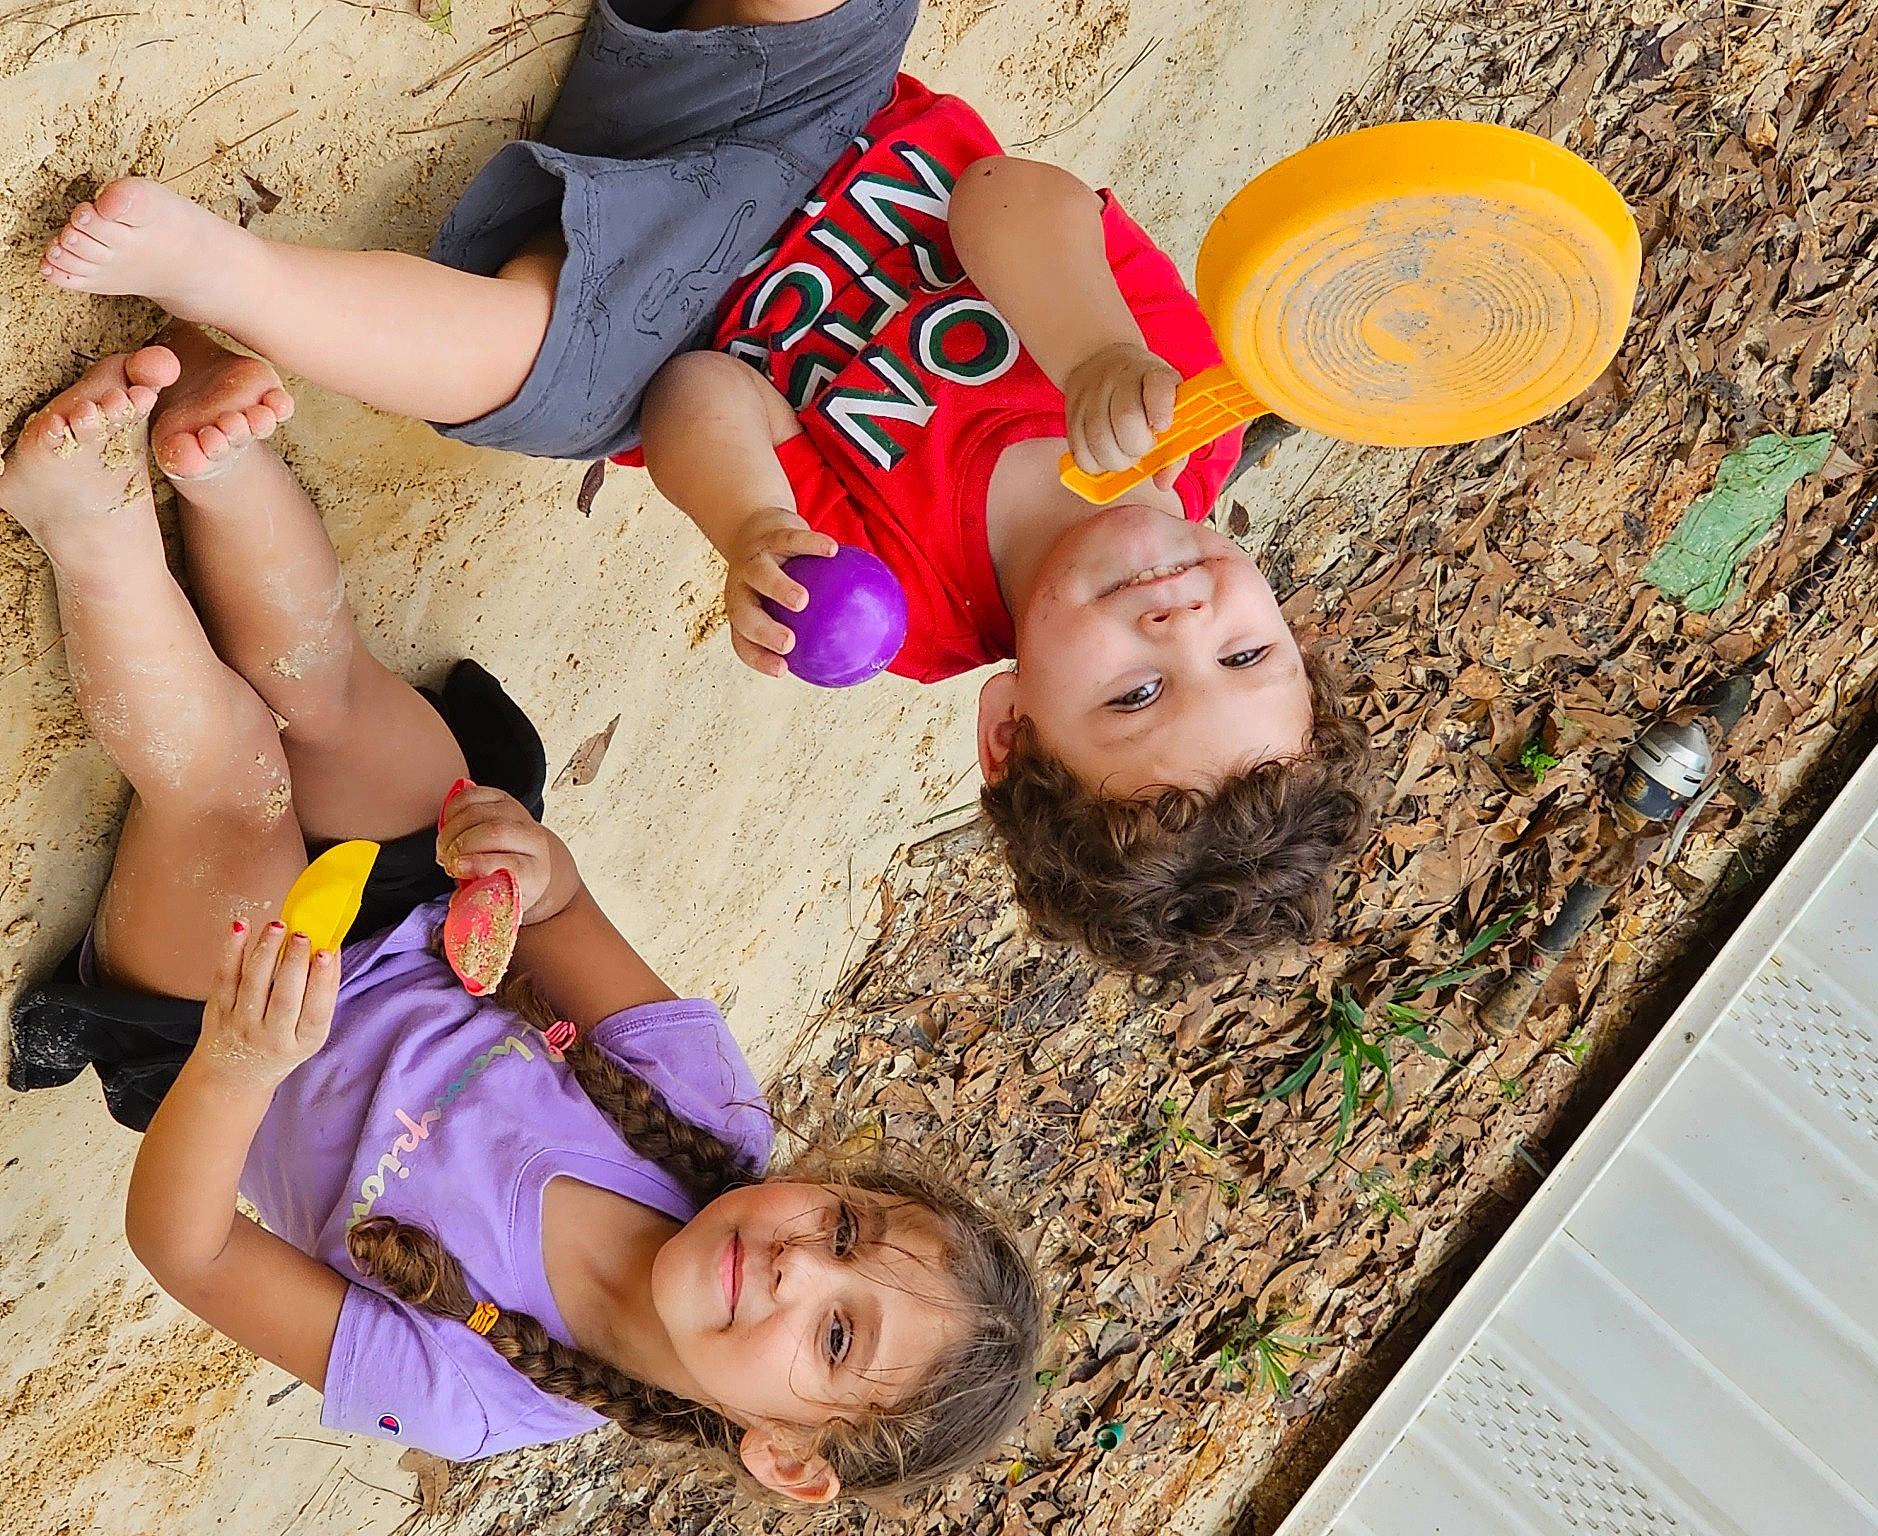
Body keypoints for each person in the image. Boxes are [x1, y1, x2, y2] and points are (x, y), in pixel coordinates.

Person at [33, 0, 1371, 979]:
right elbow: (1007, 197)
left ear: (1012, 728)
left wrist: (752, 525)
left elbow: (695, 400)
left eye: (1135, 693)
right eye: (1244, 647)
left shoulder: (898, 613)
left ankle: (233, 277)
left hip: (666, 303)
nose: (1178, 622)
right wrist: (1089, 348)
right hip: (805, 109)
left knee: (517, 370)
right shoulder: (1170, 401)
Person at [0, 333, 1040, 1495]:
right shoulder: (709, 1110)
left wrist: (242, 1063)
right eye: (844, 1229)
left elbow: (185, 1248)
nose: (797, 1264)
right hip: (403, 903)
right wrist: (521, 870)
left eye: (834, 1338)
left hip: (223, 1027)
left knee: (237, 782)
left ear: (788, 1457)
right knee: (330, 692)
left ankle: (87, 525)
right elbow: (560, 909)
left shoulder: (473, 1396)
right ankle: (215, 454)